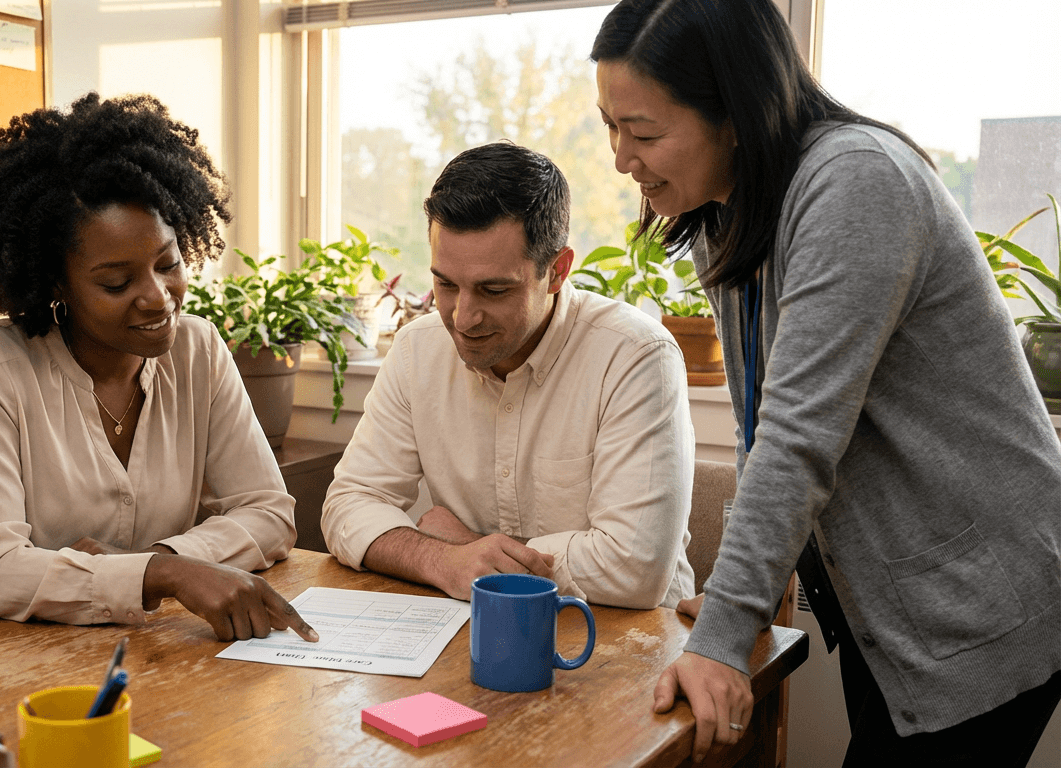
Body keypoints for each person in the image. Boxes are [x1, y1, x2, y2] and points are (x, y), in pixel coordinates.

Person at [590, 1, 1061, 765]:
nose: (620, 157)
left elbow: (797, 435)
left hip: (977, 602)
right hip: (902, 602)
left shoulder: (855, 183)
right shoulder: (730, 209)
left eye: (642, 132)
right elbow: (762, 420)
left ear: (736, 113)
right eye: (610, 126)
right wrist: (735, 607)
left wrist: (727, 626)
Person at [0, 93, 318, 650]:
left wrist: (158, 561)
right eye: (116, 282)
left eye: (168, 263)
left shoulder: (198, 350)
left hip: (107, 640)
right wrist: (164, 577)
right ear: (56, 283)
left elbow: (269, 512)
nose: (158, 299)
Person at [321, 141, 696, 608]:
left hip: (625, 641)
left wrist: (467, 545)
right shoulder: (417, 350)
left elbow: (634, 568)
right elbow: (347, 505)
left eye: (493, 289)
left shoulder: (637, 355)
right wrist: (444, 560)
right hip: (475, 636)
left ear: (557, 271)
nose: (462, 317)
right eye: (445, 284)